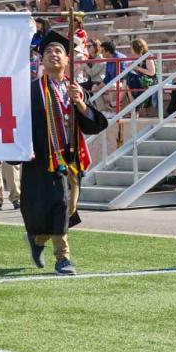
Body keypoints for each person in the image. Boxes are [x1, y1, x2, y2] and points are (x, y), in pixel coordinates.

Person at [19, 31, 108, 276]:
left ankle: (38, 241)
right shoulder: (31, 92)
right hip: (42, 160)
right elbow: (20, 124)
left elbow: (95, 124)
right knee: (57, 206)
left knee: (67, 209)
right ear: (41, 60)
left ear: (68, 59)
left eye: (58, 51)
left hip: (71, 160)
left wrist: (79, 103)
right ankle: (63, 258)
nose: (53, 55)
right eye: (48, 51)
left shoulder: (76, 90)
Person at [126, 39, 156, 107]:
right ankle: (133, 104)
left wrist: (137, 68)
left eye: (131, 48)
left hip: (150, 81)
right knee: (127, 78)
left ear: (136, 47)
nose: (130, 50)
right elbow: (141, 71)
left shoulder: (148, 56)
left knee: (128, 79)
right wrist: (133, 68)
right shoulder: (138, 57)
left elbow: (152, 72)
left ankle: (130, 104)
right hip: (142, 79)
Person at [100, 40, 128, 112]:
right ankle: (103, 112)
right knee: (94, 88)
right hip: (113, 82)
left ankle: (115, 110)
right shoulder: (108, 59)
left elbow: (124, 76)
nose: (101, 53)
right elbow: (107, 77)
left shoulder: (120, 58)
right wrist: (99, 86)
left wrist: (108, 85)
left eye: (102, 51)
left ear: (108, 52)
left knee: (112, 86)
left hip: (124, 82)